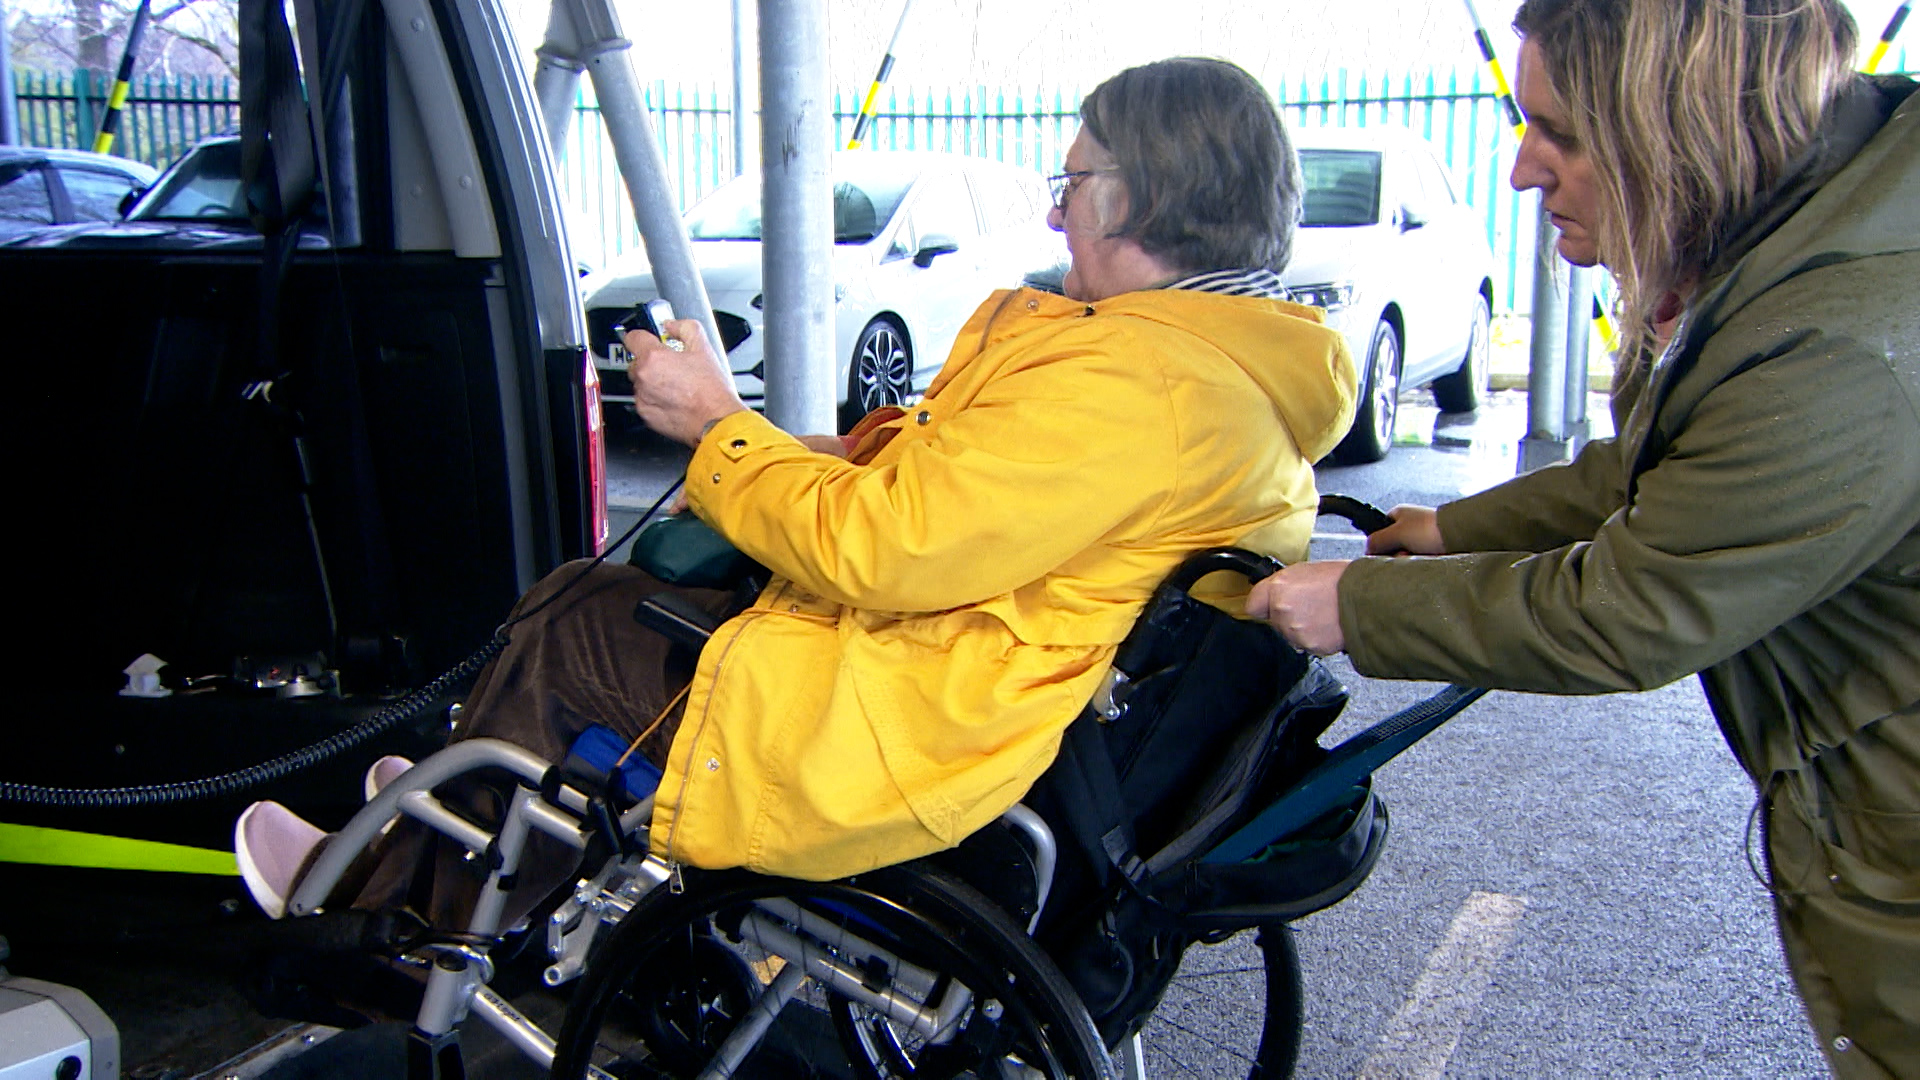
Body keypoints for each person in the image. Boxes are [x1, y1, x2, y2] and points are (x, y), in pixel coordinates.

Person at [248, 57, 1355, 934]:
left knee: (573, 619)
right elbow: (968, 486)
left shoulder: (1139, 383)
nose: (1059, 213)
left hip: (914, 729)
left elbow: (890, 543)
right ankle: (453, 815)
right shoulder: (1227, 371)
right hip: (985, 694)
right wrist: (790, 452)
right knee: (589, 616)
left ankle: (389, 917)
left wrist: (717, 433)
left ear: (1136, 199)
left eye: (1071, 185)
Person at [1247, 2, 1919, 1076]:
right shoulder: (1782, 239)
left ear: (1680, 127)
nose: (1522, 170)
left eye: (1561, 132)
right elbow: (1670, 466)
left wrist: (1352, 605)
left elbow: (1633, 608)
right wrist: (1453, 527)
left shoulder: (1838, 347)